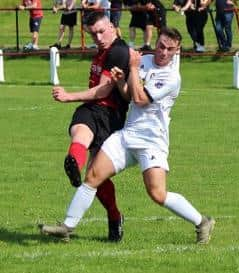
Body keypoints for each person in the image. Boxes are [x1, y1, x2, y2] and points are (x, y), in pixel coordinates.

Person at [39, 27, 216, 244]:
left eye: (170, 49)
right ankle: (67, 227)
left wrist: (131, 69)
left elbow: (141, 99)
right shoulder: (145, 60)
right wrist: (122, 80)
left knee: (157, 194)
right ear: (157, 43)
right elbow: (128, 95)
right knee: (93, 176)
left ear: (176, 51)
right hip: (127, 134)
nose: (163, 52)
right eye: (161, 46)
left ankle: (202, 222)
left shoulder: (171, 77)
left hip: (152, 141)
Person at [45, 11, 130, 242]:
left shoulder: (119, 51)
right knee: (79, 134)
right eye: (93, 34)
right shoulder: (104, 49)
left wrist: (68, 96)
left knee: (95, 177)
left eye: (102, 31)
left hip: (109, 115)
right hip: (92, 108)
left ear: (112, 26)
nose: (99, 37)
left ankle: (115, 216)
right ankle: (74, 163)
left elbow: (104, 90)